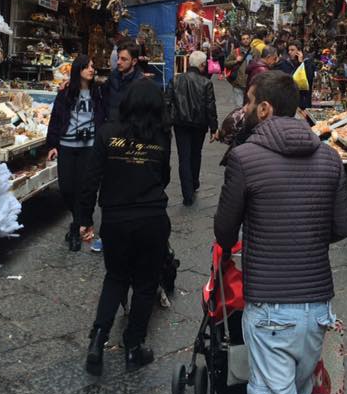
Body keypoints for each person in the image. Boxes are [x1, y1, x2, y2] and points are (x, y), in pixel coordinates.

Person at [214, 71, 347, 394]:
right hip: (316, 308)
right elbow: (343, 227)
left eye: (249, 101)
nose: (244, 109)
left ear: (265, 108)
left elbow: (224, 231)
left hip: (271, 309)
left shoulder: (245, 158)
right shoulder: (329, 158)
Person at [78, 79, 172, 375]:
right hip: (151, 218)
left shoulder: (107, 133)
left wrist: (84, 218)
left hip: (116, 218)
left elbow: (91, 179)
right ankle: (134, 346)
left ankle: (98, 340)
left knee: (115, 278)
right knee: (145, 284)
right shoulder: (161, 136)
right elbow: (165, 176)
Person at [46, 55, 106, 252]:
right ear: (78, 70)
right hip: (67, 146)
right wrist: (52, 144)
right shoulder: (65, 94)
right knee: (66, 188)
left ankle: (76, 227)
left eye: (92, 66)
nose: (91, 69)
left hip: (89, 147)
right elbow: (56, 119)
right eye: (87, 67)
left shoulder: (98, 93)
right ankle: (81, 221)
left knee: (86, 188)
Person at [165, 50, 218, 206]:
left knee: (184, 157)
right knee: (196, 154)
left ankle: (187, 193)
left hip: (180, 123)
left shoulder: (176, 80)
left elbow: (167, 102)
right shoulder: (206, 83)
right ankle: (193, 183)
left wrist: (167, 123)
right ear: (202, 65)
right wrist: (214, 128)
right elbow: (210, 107)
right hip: (199, 124)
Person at [101, 41, 143, 120]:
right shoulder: (112, 76)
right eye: (118, 58)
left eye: (123, 59)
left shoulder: (140, 83)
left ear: (134, 61)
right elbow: (105, 101)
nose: (118, 62)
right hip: (110, 124)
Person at [226, 31, 254, 107]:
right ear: (241, 41)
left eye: (247, 38)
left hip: (250, 84)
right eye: (243, 39)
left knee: (249, 107)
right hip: (238, 84)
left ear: (250, 39)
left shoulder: (255, 52)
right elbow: (226, 63)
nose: (246, 40)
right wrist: (235, 61)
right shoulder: (236, 51)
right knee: (239, 107)